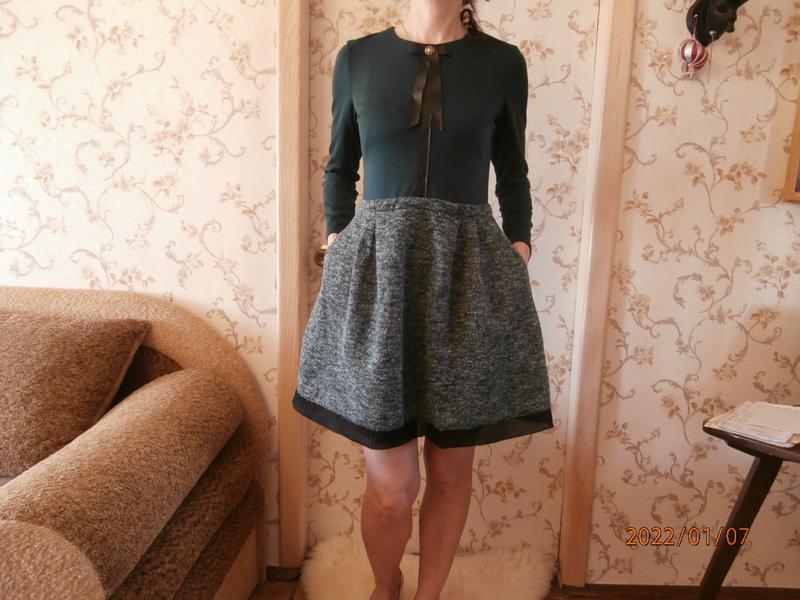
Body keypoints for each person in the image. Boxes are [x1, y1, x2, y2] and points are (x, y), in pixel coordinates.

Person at [292, 1, 553, 598]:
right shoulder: (358, 58)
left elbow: (513, 171)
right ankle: (386, 586)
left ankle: (428, 595)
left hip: (467, 275)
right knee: (392, 485)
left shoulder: (503, 63)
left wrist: (519, 247)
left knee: (451, 469)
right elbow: (339, 166)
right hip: (378, 276)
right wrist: (339, 238)